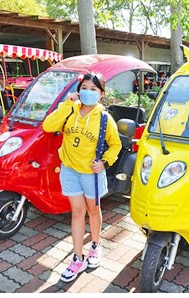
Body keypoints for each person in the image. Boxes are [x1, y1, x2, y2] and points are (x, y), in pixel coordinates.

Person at [41, 72, 120, 283]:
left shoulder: (105, 119)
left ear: (101, 94)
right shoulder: (69, 111)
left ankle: (95, 245)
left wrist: (104, 162)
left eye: (93, 89)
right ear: (79, 90)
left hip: (92, 174)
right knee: (77, 212)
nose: (88, 92)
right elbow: (48, 126)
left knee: (93, 210)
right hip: (69, 170)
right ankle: (77, 258)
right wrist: (66, 105)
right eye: (85, 87)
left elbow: (116, 145)